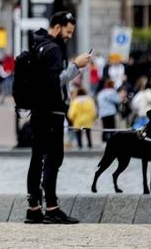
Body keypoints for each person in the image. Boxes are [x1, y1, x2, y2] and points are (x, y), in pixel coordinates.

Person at [23, 11, 91, 225]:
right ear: (58, 27)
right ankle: (51, 207)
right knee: (53, 158)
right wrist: (76, 66)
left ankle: (33, 208)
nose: (69, 36)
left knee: (36, 159)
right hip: (51, 112)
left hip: (38, 111)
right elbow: (53, 82)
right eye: (68, 31)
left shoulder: (38, 45)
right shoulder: (52, 49)